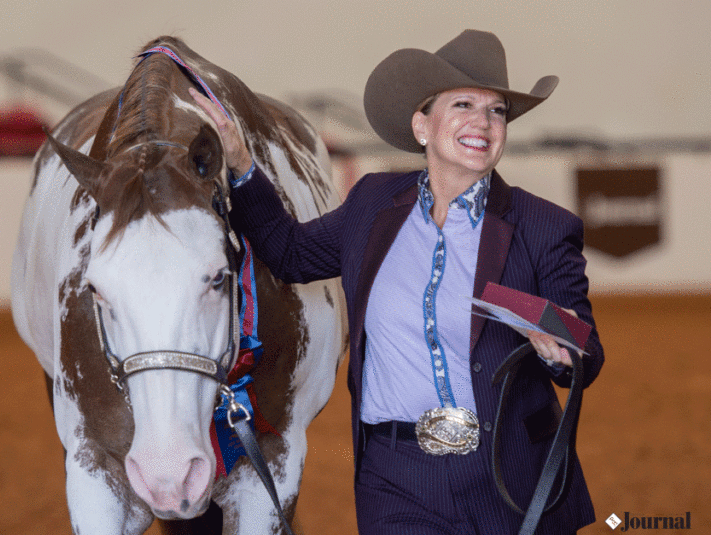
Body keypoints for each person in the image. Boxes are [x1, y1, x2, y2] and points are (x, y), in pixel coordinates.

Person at [191, 29, 604, 534]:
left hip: (506, 474)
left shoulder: (544, 226)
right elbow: (290, 253)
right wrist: (240, 164)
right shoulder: (372, 204)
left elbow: (585, 348)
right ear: (422, 125)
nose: (483, 122)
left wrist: (559, 353)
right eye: (464, 105)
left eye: (497, 111)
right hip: (397, 476)